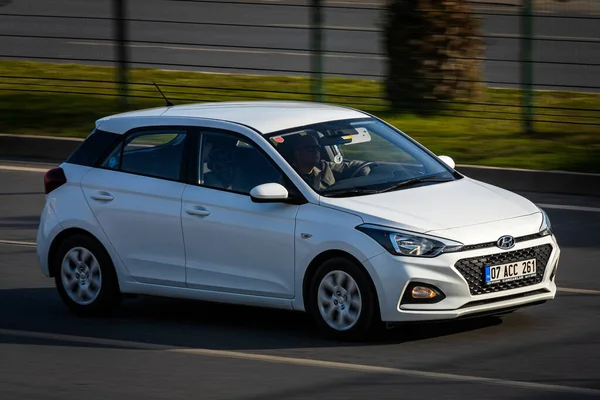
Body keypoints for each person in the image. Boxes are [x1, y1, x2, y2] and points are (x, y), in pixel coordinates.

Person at [290, 134, 370, 191]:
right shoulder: (287, 174)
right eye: (311, 149)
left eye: (318, 148)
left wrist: (368, 173)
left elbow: (354, 166)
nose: (316, 152)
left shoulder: (324, 166)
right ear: (298, 153)